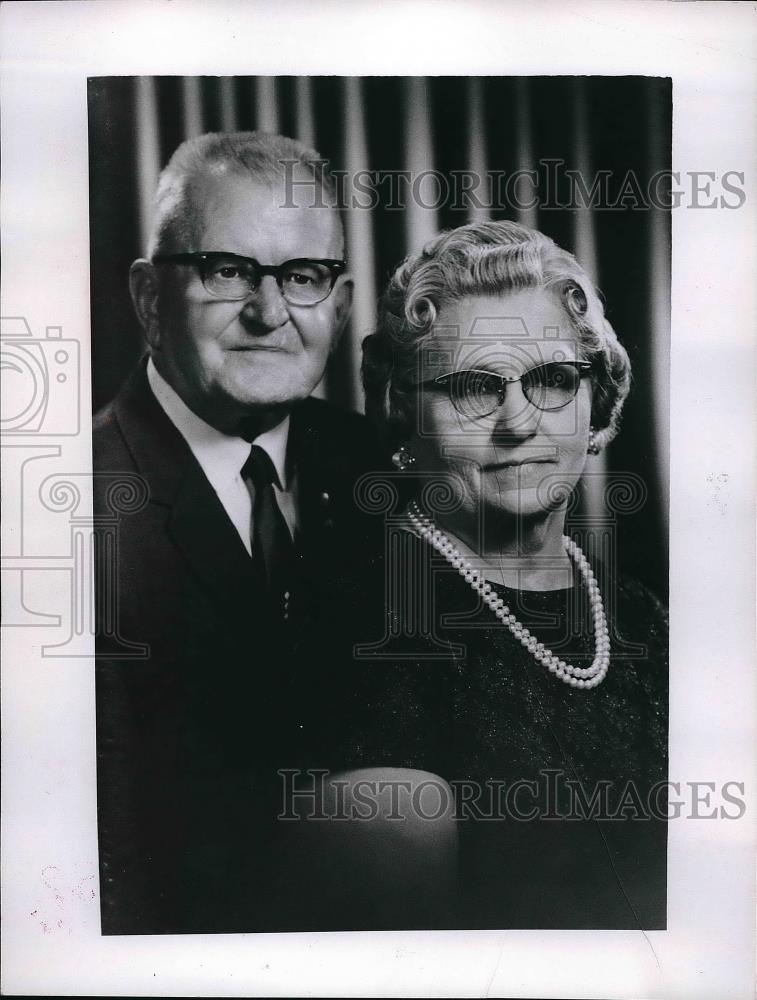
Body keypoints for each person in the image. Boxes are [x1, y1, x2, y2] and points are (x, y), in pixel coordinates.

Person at [327, 219, 668, 929]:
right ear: (401, 409)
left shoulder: (642, 615)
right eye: (471, 387)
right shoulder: (367, 632)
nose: (518, 421)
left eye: (551, 379)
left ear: (594, 402)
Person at [92, 131, 385, 934]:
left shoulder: (391, 475)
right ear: (151, 297)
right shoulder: (66, 508)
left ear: (341, 304)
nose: (269, 312)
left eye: (303, 277)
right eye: (226, 271)